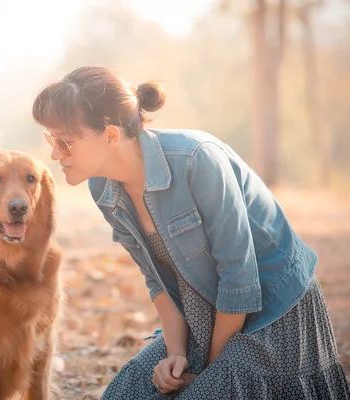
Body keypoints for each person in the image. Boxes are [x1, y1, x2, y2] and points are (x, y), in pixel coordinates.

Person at [31, 65, 350, 399]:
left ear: (110, 136)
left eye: (65, 142)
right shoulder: (103, 188)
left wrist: (208, 374)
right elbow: (156, 280)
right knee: (125, 392)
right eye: (51, 140)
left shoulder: (197, 160)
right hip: (201, 314)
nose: (55, 154)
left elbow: (239, 280)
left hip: (273, 311)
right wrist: (176, 354)